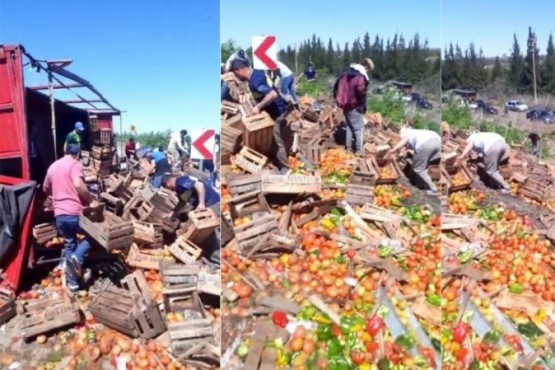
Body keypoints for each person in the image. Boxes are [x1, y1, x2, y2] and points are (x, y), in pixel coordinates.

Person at [43, 143, 98, 294]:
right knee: (94, 236)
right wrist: (91, 200)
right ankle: (77, 257)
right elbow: (78, 184)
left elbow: (45, 188)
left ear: (64, 151)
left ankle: (73, 284)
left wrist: (54, 196)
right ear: (77, 154)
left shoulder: (53, 166)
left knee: (69, 244)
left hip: (60, 215)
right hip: (74, 212)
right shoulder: (75, 164)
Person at [231, 55, 289, 172]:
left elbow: (272, 94)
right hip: (274, 110)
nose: (236, 77)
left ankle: (285, 168)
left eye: (236, 74)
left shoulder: (254, 81)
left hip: (277, 112)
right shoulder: (256, 73)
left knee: (275, 139)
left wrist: (258, 107)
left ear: (239, 70)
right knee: (272, 139)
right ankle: (275, 162)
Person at [333, 58, 374, 154]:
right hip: (354, 106)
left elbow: (336, 87)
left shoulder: (345, 73)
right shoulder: (359, 77)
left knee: (350, 126)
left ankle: (348, 148)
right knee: (359, 128)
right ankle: (359, 150)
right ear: (366, 67)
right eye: (368, 70)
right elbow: (361, 91)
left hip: (344, 104)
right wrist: (361, 104)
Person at [386, 126, 441, 195]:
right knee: (424, 166)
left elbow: (405, 140)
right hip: (438, 142)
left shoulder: (406, 133)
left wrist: (393, 149)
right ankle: (422, 184)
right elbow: (406, 147)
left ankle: (434, 189)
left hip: (426, 144)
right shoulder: (417, 132)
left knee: (419, 169)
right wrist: (401, 154)